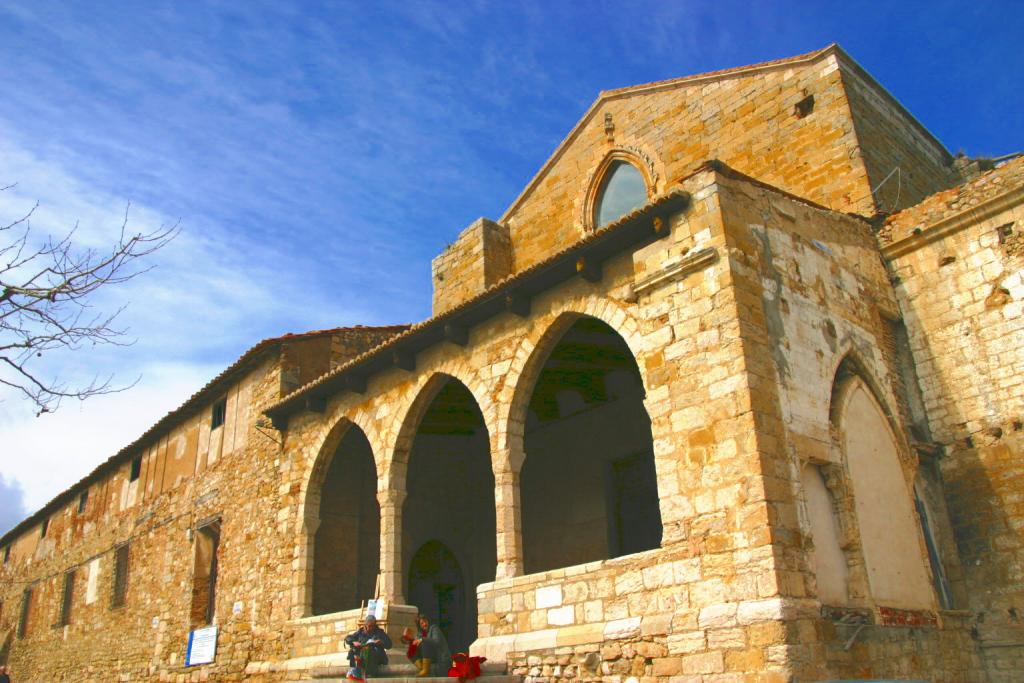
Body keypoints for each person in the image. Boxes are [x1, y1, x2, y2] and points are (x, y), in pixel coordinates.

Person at [344, 615, 393, 682]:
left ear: (375, 625)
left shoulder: (380, 632)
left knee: (369, 650)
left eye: (372, 626)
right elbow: (348, 638)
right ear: (365, 625)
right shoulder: (360, 632)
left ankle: (369, 673)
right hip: (362, 657)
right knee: (353, 650)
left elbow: (389, 644)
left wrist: (381, 642)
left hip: (376, 656)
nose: (370, 628)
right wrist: (353, 642)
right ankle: (355, 672)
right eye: (369, 626)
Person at [403, 613, 450, 677]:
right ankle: (421, 668)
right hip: (432, 662)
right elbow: (416, 642)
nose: (424, 624)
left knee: (424, 642)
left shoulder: (434, 628)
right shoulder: (421, 634)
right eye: (422, 623)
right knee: (411, 651)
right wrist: (411, 640)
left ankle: (425, 670)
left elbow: (437, 642)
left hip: (442, 661)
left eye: (425, 621)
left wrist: (422, 639)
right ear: (420, 626)